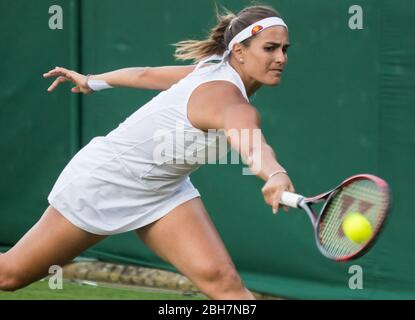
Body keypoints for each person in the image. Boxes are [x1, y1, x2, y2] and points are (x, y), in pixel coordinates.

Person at [0, 5, 295, 299]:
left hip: (164, 190)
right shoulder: (230, 102)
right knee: (9, 275)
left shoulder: (211, 68)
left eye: (284, 49)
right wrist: (275, 174)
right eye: (270, 48)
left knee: (225, 283)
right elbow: (253, 146)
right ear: (239, 52)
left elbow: (145, 75)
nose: (280, 58)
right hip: (106, 181)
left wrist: (91, 81)